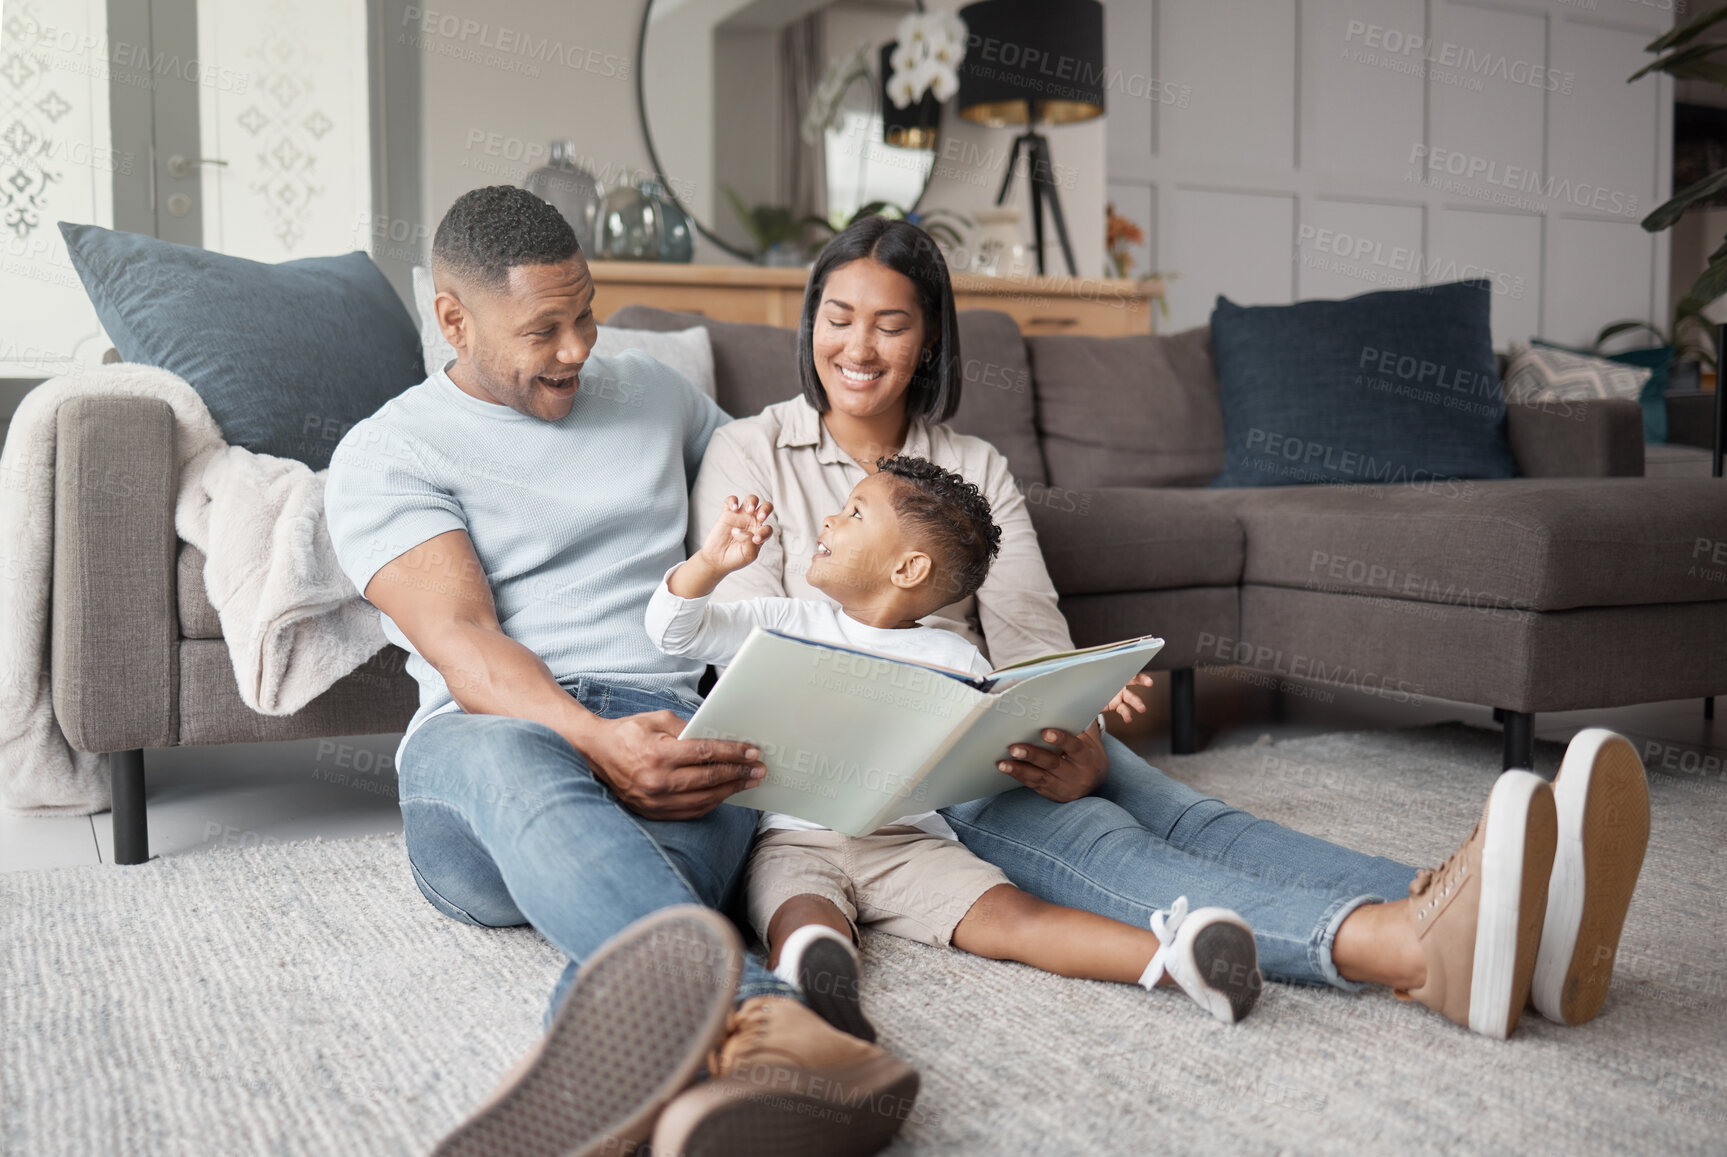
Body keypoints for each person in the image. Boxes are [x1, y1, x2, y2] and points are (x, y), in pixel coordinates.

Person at [689, 215, 1653, 1042]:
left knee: (1191, 813)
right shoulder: (749, 449)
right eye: (838, 318)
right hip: (874, 773)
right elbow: (763, 661)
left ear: (929, 341)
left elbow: (1029, 637)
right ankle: (1394, 946)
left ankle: (1475, 906)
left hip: (984, 726)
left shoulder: (972, 464)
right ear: (809, 322)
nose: (858, 347)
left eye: (890, 324)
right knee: (1102, 845)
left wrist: (1071, 727)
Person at [323, 186, 920, 1157]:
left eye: (587, 312)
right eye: (543, 329)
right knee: (511, 758)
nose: (577, 348)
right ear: (452, 318)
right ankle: (774, 1022)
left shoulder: (655, 391)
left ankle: (675, 1101)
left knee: (661, 897)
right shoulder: (388, 451)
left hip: (670, 728)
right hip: (491, 752)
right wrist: (593, 738)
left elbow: (768, 497)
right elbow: (465, 644)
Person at [648, 459, 1264, 1031]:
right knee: (803, 916)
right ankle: (816, 977)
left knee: (1015, 918)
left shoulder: (955, 658)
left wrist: (1081, 700)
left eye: (856, 512)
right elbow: (674, 632)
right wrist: (711, 564)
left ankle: (1176, 957)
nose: (830, 519)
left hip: (911, 842)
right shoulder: (783, 622)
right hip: (793, 838)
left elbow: (1008, 734)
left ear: (908, 569)